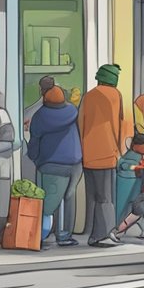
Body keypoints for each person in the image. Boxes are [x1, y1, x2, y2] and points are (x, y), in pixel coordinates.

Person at [79, 63, 130, 248]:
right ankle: (104, 234)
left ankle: (93, 233)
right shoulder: (114, 95)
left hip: (88, 153)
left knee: (93, 196)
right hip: (107, 153)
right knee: (106, 197)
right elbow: (119, 124)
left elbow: (80, 123)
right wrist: (119, 151)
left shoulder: (89, 96)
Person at [28, 86, 82, 247]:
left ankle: (41, 235)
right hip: (74, 162)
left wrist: (35, 158)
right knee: (68, 197)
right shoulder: (72, 111)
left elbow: (34, 142)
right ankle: (64, 234)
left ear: (45, 99)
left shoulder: (40, 116)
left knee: (49, 201)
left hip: (52, 163)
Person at [112, 135, 144, 238]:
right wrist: (136, 167)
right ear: (135, 146)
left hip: (135, 192)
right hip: (126, 189)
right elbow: (124, 165)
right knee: (122, 210)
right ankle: (117, 229)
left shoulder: (143, 157)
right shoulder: (130, 157)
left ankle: (132, 228)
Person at [22, 77, 56, 181]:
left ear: (40, 89)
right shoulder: (65, 110)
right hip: (55, 158)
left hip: (36, 157)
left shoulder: (30, 111)